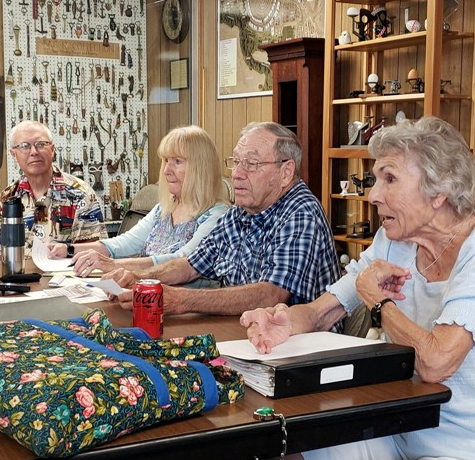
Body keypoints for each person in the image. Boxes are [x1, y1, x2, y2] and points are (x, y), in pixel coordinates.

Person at [240, 116, 475, 460]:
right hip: (401, 435)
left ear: (438, 190)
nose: (373, 195)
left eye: (389, 179)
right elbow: (325, 310)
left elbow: (436, 362)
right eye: (375, 178)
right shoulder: (396, 239)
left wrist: (381, 305)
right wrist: (283, 320)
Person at [108, 121, 340, 315]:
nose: (237, 174)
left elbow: (272, 294)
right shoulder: (241, 211)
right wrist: (139, 279)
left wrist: (181, 300)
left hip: (298, 348)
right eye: (236, 161)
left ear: (286, 172)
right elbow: (191, 265)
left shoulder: (301, 211)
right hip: (245, 333)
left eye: (251, 163)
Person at [47, 126, 229, 277]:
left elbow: (183, 260)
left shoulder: (217, 215)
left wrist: (112, 265)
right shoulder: (164, 209)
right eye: (165, 161)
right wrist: (68, 249)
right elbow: (124, 243)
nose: (166, 170)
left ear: (200, 167)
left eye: (177, 161)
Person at [0, 120, 107, 256]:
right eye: (25, 146)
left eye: (40, 144)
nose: (34, 152)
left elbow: (93, 255)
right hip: (16, 276)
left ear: (52, 149)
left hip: (64, 277)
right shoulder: (5, 199)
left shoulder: (81, 194)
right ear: (14, 155)